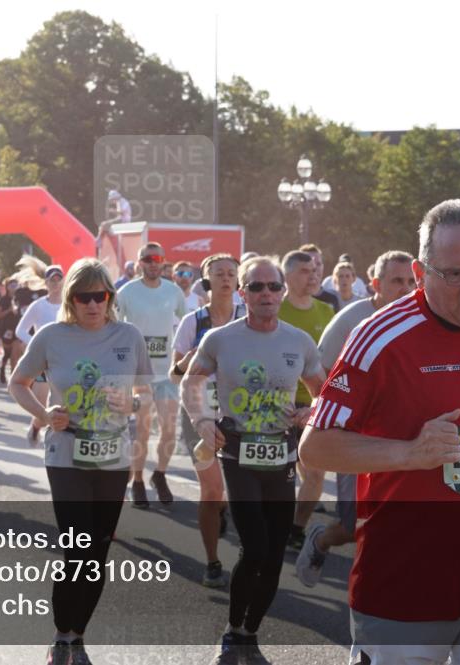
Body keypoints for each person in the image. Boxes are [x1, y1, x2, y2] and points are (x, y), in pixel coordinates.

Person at [301, 199, 460, 665]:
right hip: (406, 578)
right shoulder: (378, 336)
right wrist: (409, 453)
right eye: (457, 274)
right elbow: (315, 447)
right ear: (421, 274)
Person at [8, 258, 152, 665]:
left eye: (100, 296)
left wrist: (134, 402)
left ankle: (79, 637)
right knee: (78, 548)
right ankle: (60, 636)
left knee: (98, 554)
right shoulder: (53, 336)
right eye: (84, 296)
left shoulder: (129, 336)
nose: (93, 304)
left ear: (110, 297)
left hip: (113, 456)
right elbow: (17, 383)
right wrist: (42, 415)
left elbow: (148, 391)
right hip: (66, 454)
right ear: (71, 299)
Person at [182, 255, 324, 665]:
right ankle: (231, 632)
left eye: (273, 287)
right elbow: (192, 382)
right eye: (256, 287)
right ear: (242, 293)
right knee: (255, 546)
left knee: (275, 552)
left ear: (282, 293)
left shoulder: (298, 341)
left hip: (280, 453)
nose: (266, 294)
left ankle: (250, 632)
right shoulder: (220, 339)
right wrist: (202, 418)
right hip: (238, 449)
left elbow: (324, 389)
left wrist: (309, 413)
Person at [294, 250, 416, 587]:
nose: (406, 289)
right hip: (356, 437)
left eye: (411, 281)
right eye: (396, 281)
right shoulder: (353, 320)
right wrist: (323, 412)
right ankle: (319, 538)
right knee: (351, 525)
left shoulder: (424, 319)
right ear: (375, 284)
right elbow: (320, 370)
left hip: (406, 437)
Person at [171, 253, 245, 587]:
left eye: (232, 273)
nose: (226, 278)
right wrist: (186, 363)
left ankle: (242, 544)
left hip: (243, 417)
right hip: (200, 416)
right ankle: (213, 560)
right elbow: (174, 376)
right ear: (207, 282)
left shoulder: (249, 318)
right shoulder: (192, 322)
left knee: (239, 490)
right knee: (212, 489)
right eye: (219, 273)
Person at [117, 242, 188, 507]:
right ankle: (137, 481)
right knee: (143, 431)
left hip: (167, 373)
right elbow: (113, 326)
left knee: (169, 431)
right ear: (139, 264)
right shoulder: (126, 292)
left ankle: (159, 475)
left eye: (157, 258)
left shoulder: (173, 292)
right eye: (147, 259)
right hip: (140, 374)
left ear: (163, 262)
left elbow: (187, 323)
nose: (153, 263)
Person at [278, 250, 336, 548]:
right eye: (304, 270)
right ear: (286, 276)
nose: (312, 275)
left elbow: (335, 363)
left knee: (314, 475)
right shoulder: (275, 309)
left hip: (315, 404)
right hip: (277, 406)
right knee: (281, 476)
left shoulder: (327, 313)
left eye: (315, 270)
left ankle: (296, 529)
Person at [15, 261, 65, 445]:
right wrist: (36, 345)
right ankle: (36, 426)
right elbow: (20, 330)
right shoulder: (38, 305)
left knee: (64, 403)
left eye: (59, 280)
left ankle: (59, 439)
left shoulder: (70, 305)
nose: (55, 283)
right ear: (46, 283)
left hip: (64, 360)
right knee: (43, 407)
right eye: (52, 280)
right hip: (43, 362)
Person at [0, 276, 22, 384]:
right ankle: (2, 369)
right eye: (11, 285)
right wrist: (9, 310)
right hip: (6, 329)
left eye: (16, 284)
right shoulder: (3, 300)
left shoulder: (21, 298)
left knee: (15, 355)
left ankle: (13, 379)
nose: (14, 287)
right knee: (7, 353)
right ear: (7, 287)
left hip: (18, 329)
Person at [300, 243, 341, 312]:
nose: (314, 268)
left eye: (318, 264)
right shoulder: (294, 299)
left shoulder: (332, 299)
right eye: (309, 264)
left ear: (323, 267)